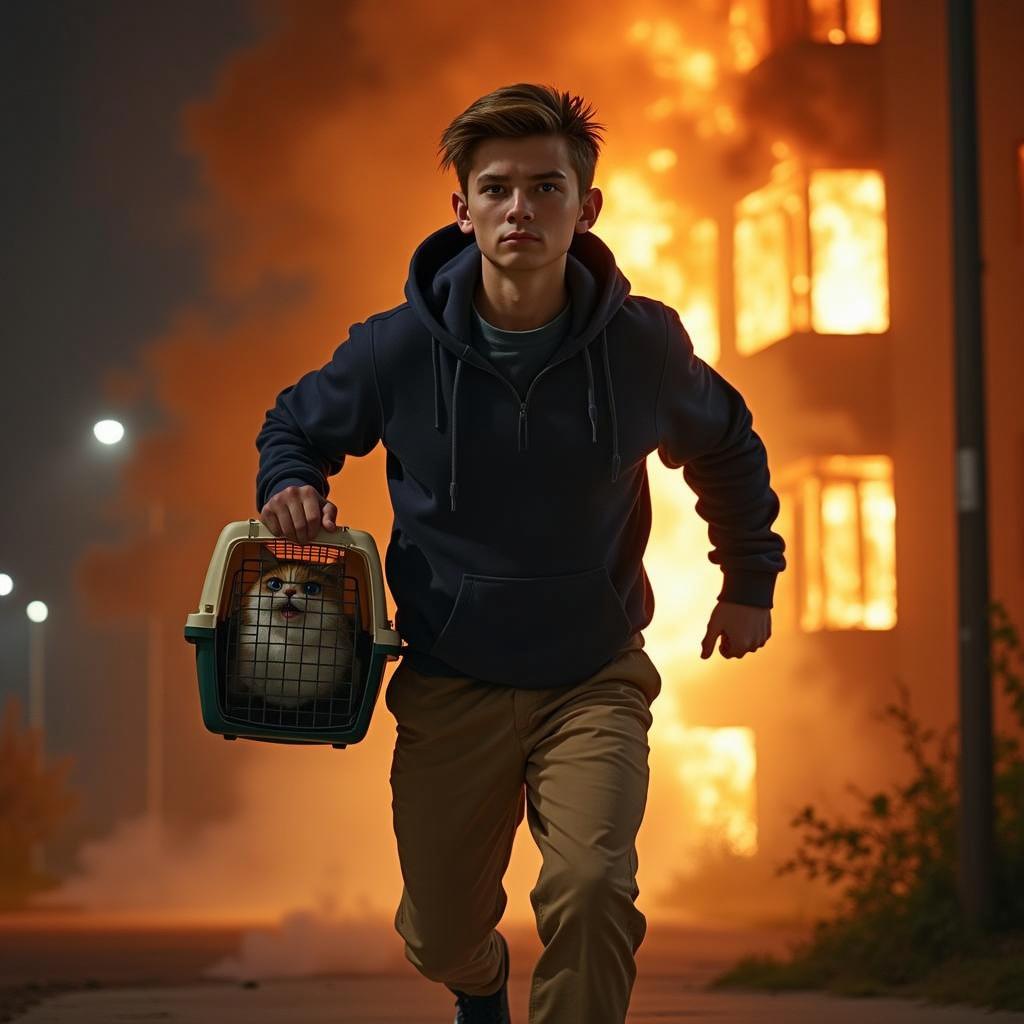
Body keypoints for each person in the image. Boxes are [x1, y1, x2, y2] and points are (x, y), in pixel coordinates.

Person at [255, 82, 785, 1024]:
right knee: (438, 934)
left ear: (587, 208)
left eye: (546, 188)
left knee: (589, 890)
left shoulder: (642, 347)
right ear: (461, 209)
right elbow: (294, 425)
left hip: (594, 675)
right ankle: (481, 986)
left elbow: (729, 444)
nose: (520, 209)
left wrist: (748, 579)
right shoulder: (396, 350)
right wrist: (287, 483)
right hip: (451, 675)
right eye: (496, 188)